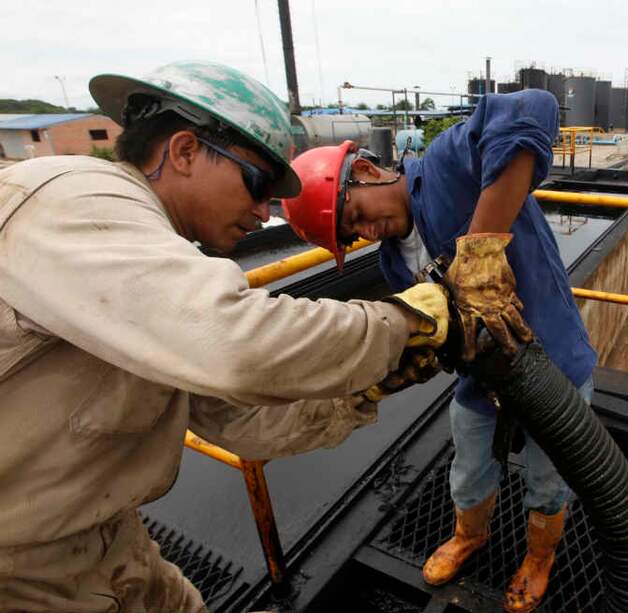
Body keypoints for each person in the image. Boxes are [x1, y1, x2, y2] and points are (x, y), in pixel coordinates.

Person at [0, 61, 449, 612]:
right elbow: (236, 344)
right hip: (18, 570)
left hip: (104, 539)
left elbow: (240, 420)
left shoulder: (152, 273)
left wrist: (365, 389)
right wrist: (401, 323)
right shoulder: (68, 198)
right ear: (185, 151)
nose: (262, 213)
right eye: (258, 184)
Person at [283, 89, 597, 613]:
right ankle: (469, 536)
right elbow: (442, 329)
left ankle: (539, 557)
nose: (365, 231)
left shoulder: (448, 163)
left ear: (365, 170)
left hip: (553, 362)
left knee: (549, 479)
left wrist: (481, 247)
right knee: (469, 470)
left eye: (356, 214)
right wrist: (413, 361)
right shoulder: (392, 263)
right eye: (352, 234)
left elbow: (532, 107)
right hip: (483, 378)